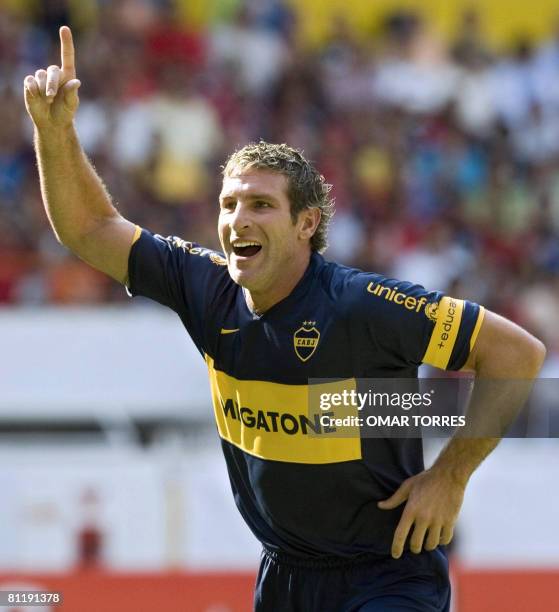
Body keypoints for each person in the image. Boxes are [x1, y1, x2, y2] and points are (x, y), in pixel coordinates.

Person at [23, 27, 545, 612]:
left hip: (386, 578)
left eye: (261, 205)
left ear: (306, 224)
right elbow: (90, 230)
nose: (238, 220)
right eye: (229, 204)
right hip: (285, 579)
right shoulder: (206, 288)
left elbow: (516, 354)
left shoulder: (361, 303)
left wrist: (450, 477)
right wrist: (55, 132)